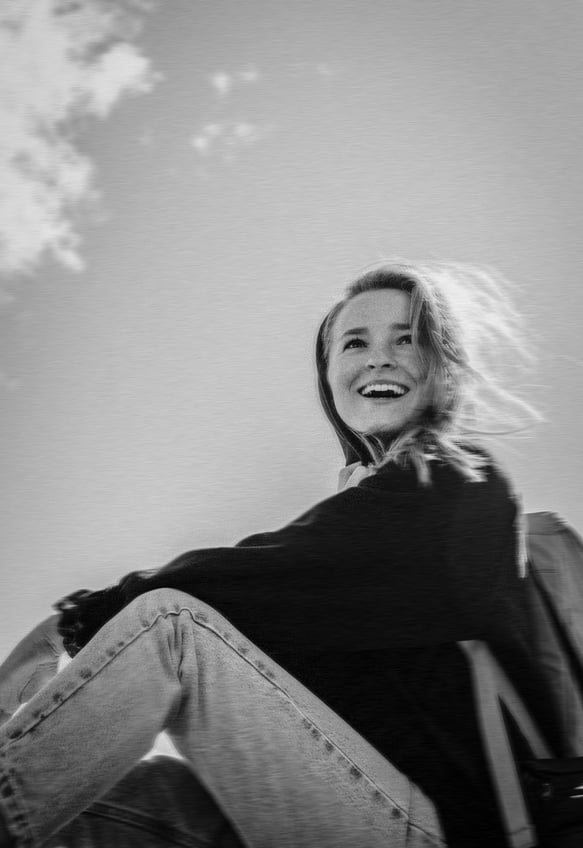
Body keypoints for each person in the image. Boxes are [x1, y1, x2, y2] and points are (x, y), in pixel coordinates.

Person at [0, 260, 565, 848]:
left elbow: (267, 574)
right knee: (127, 800)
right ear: (329, 375)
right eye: (354, 343)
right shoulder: (368, 511)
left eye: (408, 339)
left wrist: (73, 623)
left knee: (172, 627)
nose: (379, 357)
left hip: (445, 831)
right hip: (359, 808)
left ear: (443, 367)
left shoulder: (456, 481)